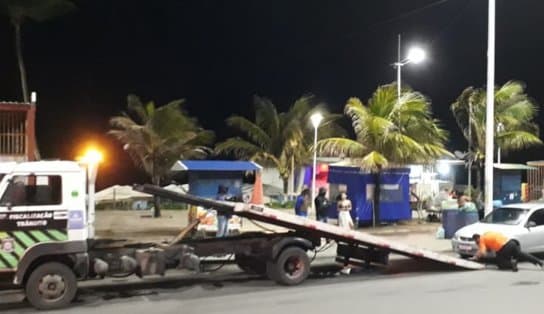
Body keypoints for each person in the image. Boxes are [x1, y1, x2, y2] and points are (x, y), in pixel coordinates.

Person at [472, 231, 543, 271]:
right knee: (522, 254)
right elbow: (489, 246)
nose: (476, 242)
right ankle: (539, 262)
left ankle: (512, 263)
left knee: (500, 263)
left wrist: (477, 257)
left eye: (476, 241)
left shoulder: (481, 240)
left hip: (504, 248)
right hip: (511, 242)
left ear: (477, 238)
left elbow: (483, 252)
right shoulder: (486, 234)